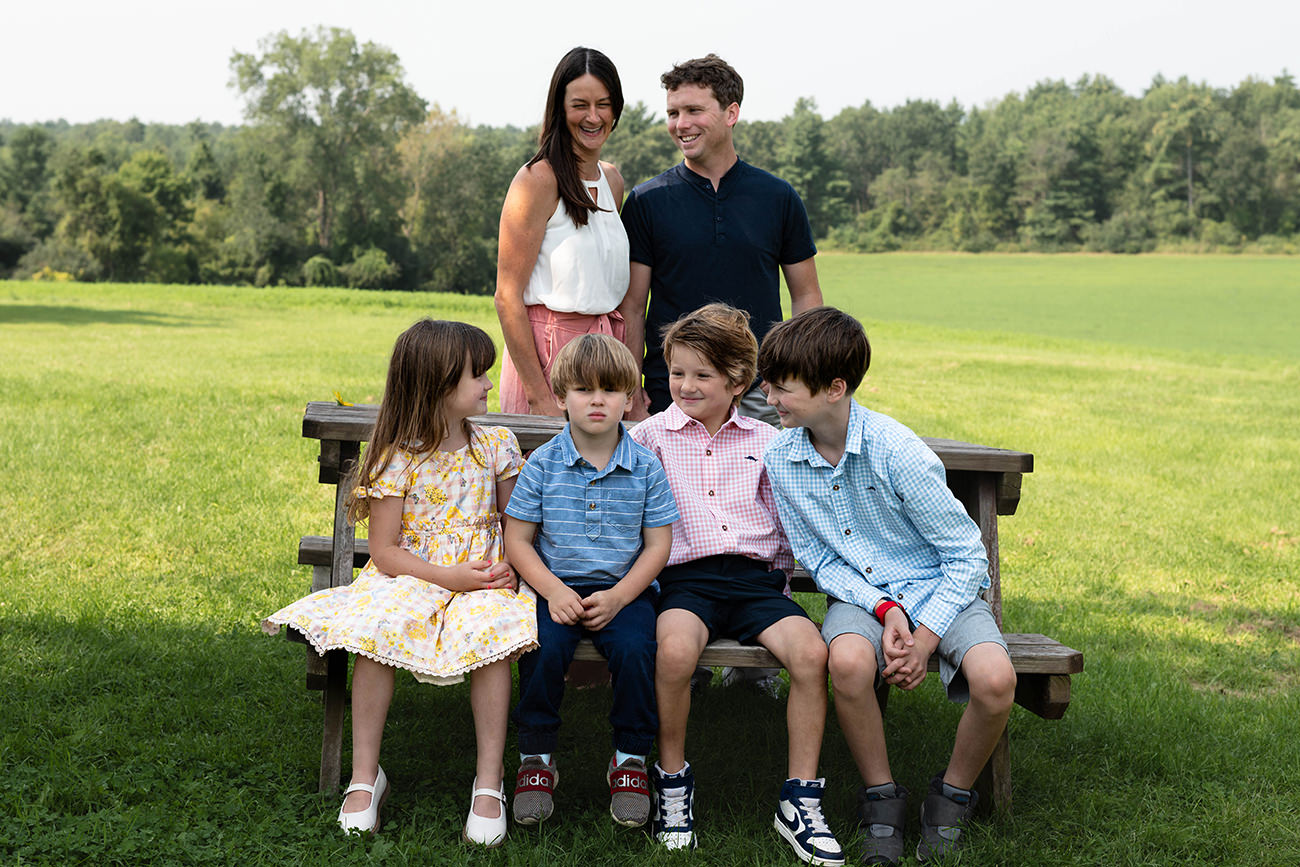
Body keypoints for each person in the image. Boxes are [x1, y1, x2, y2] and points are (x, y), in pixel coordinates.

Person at [263, 319, 539, 847]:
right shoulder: (397, 455)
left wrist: (502, 567)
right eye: (476, 375)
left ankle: (489, 781)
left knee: (495, 634)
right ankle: (365, 777)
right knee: (378, 630)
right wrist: (446, 575)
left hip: (482, 579)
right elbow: (386, 552)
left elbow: (515, 526)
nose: (488, 383)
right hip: (411, 575)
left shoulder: (497, 446)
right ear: (437, 385)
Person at [758, 307, 1018, 866]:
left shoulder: (896, 451)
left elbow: (966, 555)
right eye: (769, 384)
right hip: (859, 595)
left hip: (941, 588)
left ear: (835, 388)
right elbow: (819, 556)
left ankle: (951, 797)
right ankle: (881, 798)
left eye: (783, 388)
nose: (770, 397)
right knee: (849, 664)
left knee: (996, 682)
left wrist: (923, 637)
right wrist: (881, 607)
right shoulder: (782, 456)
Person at [630, 303, 844, 864]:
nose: (686, 385)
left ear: (738, 381)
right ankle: (672, 780)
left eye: (702, 375)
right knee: (674, 652)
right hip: (685, 581)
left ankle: (800, 797)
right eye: (677, 372)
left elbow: (790, 518)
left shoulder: (769, 442)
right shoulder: (650, 438)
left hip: (755, 584)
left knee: (809, 654)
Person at [503, 333, 678, 829]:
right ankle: (536, 760)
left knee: (636, 651)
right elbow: (518, 542)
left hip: (624, 592)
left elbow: (658, 545)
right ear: (561, 398)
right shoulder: (542, 464)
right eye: (583, 389)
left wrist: (623, 595)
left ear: (630, 398)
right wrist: (553, 590)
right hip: (554, 588)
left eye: (610, 390)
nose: (597, 400)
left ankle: (629, 760)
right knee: (543, 649)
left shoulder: (645, 466)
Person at [619, 53, 823, 423]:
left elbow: (806, 295)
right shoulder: (646, 201)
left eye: (694, 110)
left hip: (761, 393)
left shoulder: (778, 197)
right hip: (675, 391)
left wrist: (797, 378)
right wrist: (634, 389)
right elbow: (633, 305)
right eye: (672, 113)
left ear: (731, 113)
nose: (681, 124)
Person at [495, 46, 632, 418]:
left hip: (604, 359)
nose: (593, 117)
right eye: (580, 105)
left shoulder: (612, 180)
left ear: (616, 110)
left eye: (603, 104)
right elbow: (507, 297)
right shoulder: (536, 180)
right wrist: (539, 396)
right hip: (548, 358)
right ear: (560, 108)